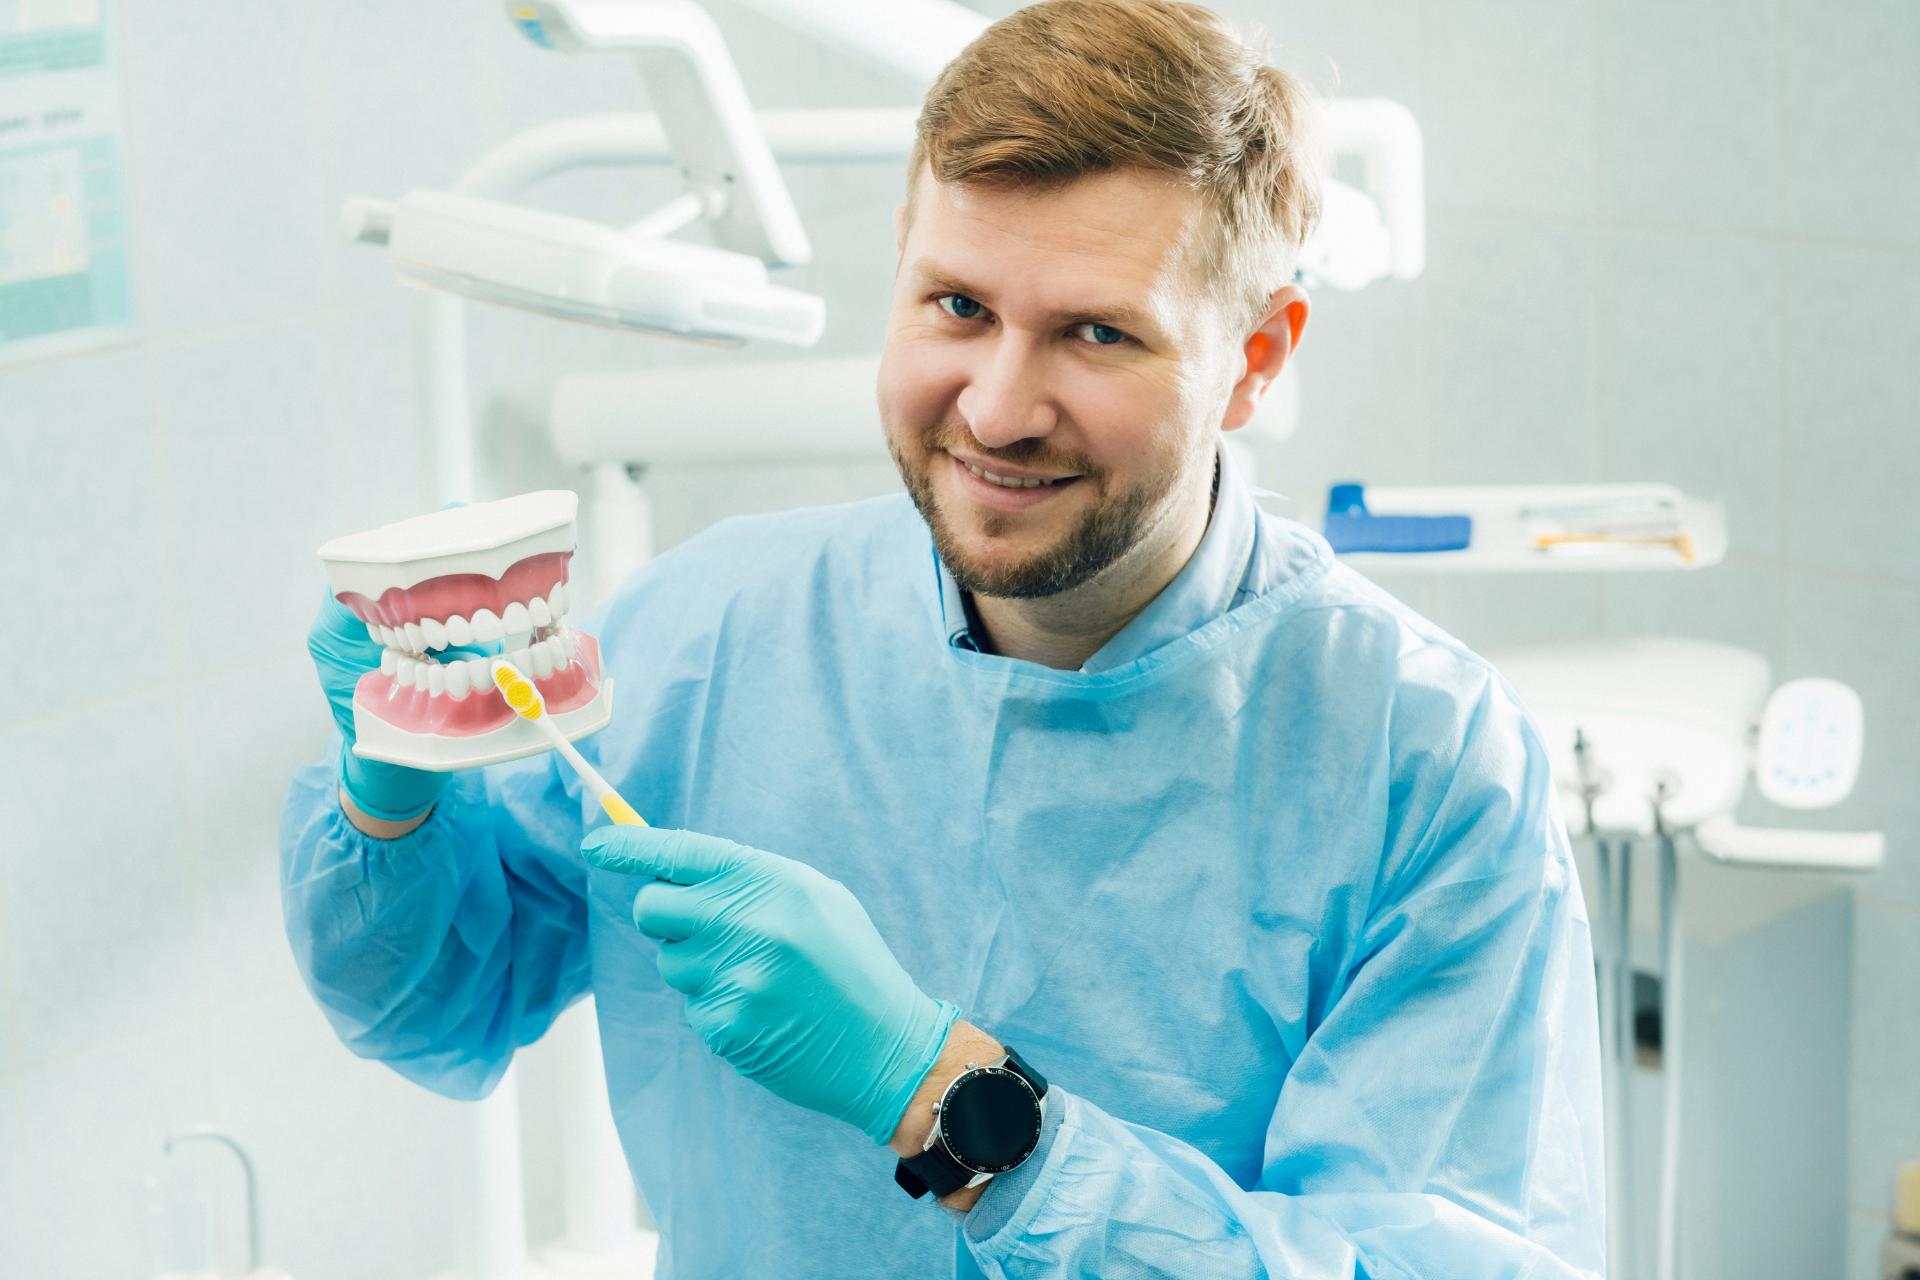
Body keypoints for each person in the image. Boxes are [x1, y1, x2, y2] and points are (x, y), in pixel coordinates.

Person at [283, 2, 1605, 1275]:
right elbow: (433, 1004)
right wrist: (393, 810)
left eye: (1096, 333)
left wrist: (953, 1107)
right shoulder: (709, 631)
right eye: (957, 307)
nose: (998, 405)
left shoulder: (1422, 763)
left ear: (1255, 357)